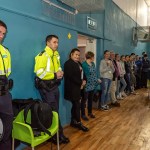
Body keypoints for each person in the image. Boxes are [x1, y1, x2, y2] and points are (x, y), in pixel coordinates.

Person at [34, 35, 69, 144]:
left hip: (54, 86)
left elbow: (58, 67)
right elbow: (39, 73)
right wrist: (54, 75)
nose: (56, 44)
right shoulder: (43, 55)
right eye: (54, 42)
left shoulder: (56, 54)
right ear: (48, 43)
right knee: (53, 112)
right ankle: (57, 136)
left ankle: (56, 134)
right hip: (47, 88)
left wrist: (60, 72)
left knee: (55, 111)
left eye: (57, 42)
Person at [64, 48, 89, 132]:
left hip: (79, 88)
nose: (77, 56)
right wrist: (81, 83)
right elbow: (71, 77)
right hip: (72, 89)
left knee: (75, 106)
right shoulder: (68, 64)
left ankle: (73, 121)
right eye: (76, 55)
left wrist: (85, 80)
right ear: (71, 54)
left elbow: (83, 73)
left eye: (78, 55)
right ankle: (78, 123)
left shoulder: (78, 63)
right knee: (77, 106)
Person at [0, 20, 13, 149]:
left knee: (7, 129)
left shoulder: (6, 52)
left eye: (4, 33)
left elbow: (7, 72)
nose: (1, 36)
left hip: (4, 96)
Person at [81, 51, 101, 121]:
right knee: (84, 100)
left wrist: (97, 79)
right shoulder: (83, 64)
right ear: (90, 57)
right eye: (93, 57)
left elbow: (94, 73)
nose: (93, 58)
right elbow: (83, 75)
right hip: (86, 85)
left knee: (90, 100)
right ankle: (83, 114)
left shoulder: (93, 64)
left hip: (92, 84)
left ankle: (90, 112)